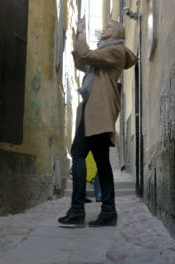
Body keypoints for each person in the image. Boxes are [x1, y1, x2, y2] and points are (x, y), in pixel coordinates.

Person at [58, 17, 137, 227]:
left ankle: (77, 211)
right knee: (101, 162)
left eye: (109, 27)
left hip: (98, 109)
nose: (104, 29)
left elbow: (86, 55)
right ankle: (108, 212)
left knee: (78, 153)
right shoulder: (105, 53)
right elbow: (82, 62)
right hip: (96, 109)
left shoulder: (116, 51)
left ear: (118, 33)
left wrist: (82, 34)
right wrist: (80, 39)